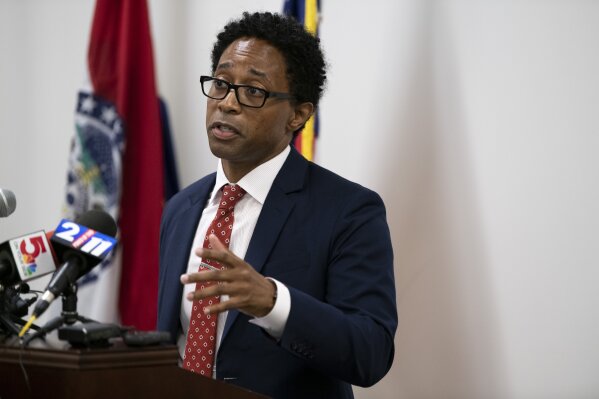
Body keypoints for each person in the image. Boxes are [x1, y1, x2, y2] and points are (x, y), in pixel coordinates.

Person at [157, 11, 397, 399]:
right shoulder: (181, 208)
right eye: (221, 83)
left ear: (298, 115)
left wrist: (272, 302)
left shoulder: (349, 211)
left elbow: (370, 352)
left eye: (254, 91)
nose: (227, 104)